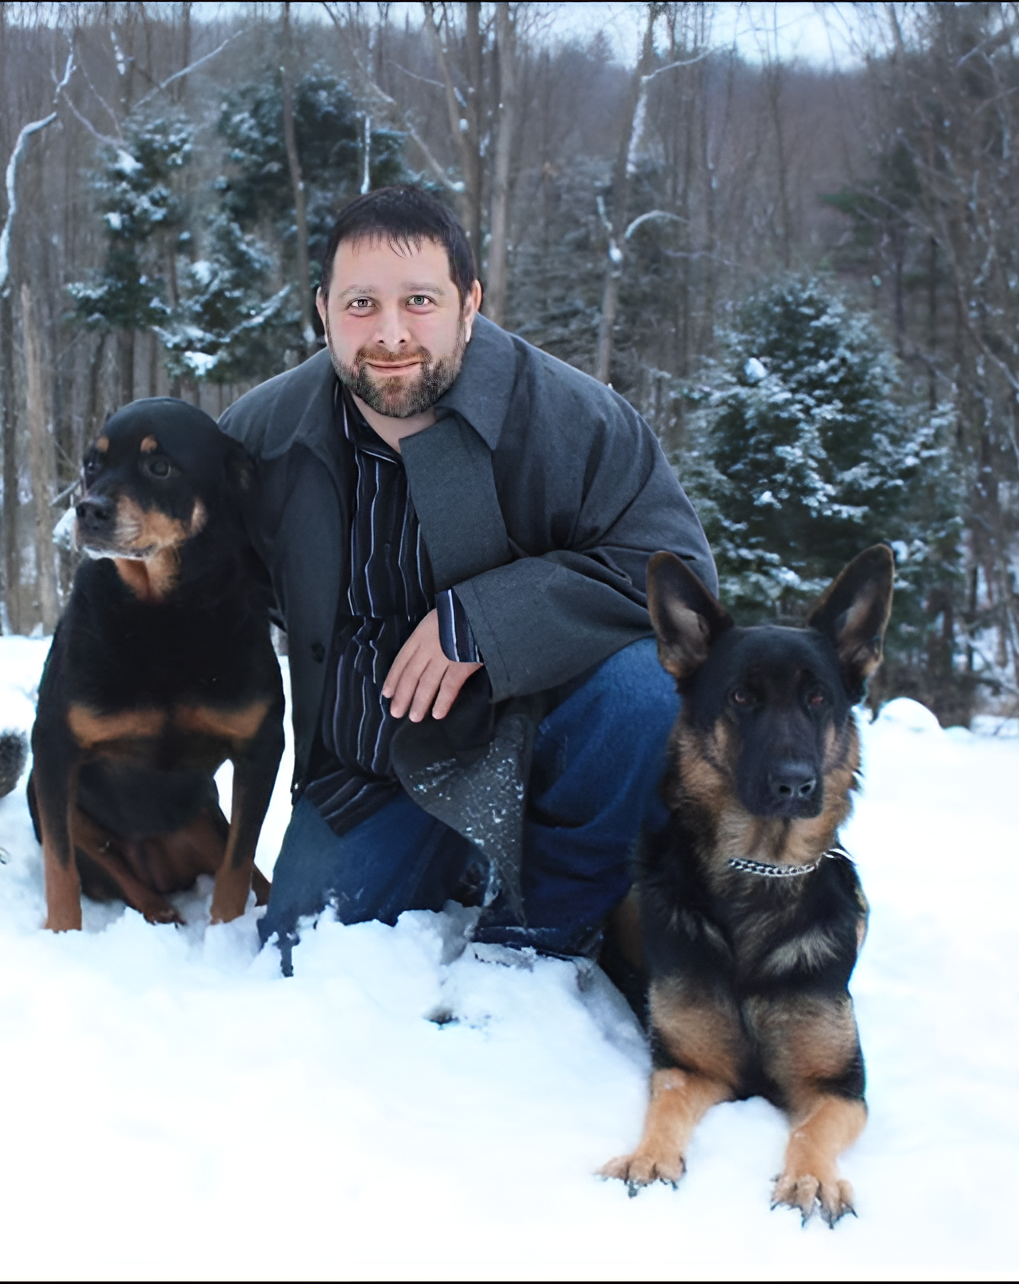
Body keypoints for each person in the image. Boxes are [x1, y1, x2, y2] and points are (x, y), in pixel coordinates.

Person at [218, 185, 715, 969]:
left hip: (527, 739)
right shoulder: (262, 435)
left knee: (644, 687)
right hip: (368, 763)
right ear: (321, 310)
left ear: (469, 301)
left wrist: (483, 622)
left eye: (420, 300)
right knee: (300, 960)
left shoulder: (573, 417)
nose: (389, 334)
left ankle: (540, 930)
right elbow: (199, 588)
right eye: (359, 304)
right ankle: (451, 857)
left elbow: (680, 579)